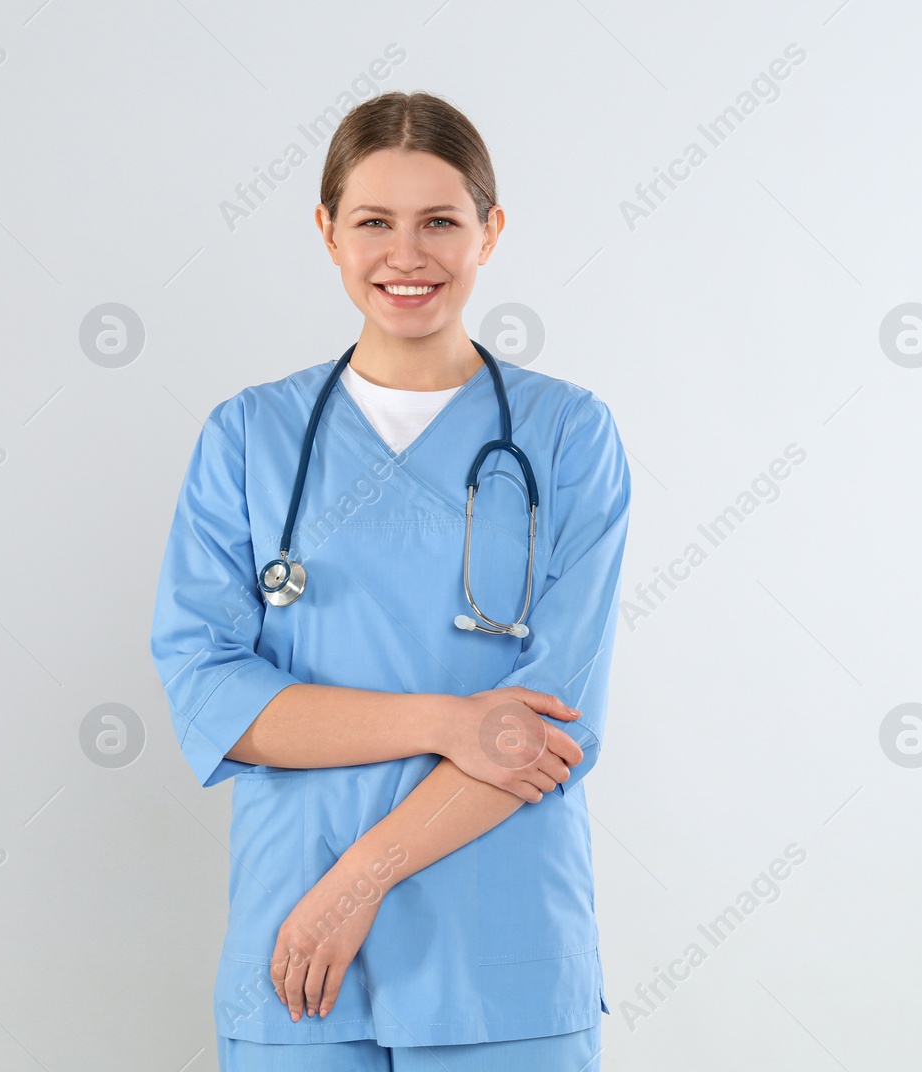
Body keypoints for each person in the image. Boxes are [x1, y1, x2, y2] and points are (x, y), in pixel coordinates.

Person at [149, 90, 630, 1071]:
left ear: (490, 232)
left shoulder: (569, 435)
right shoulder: (247, 437)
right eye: (373, 222)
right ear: (326, 233)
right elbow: (208, 691)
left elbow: (551, 721)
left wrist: (358, 877)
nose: (405, 255)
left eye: (440, 222)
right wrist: (446, 721)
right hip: (297, 966)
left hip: (496, 954)